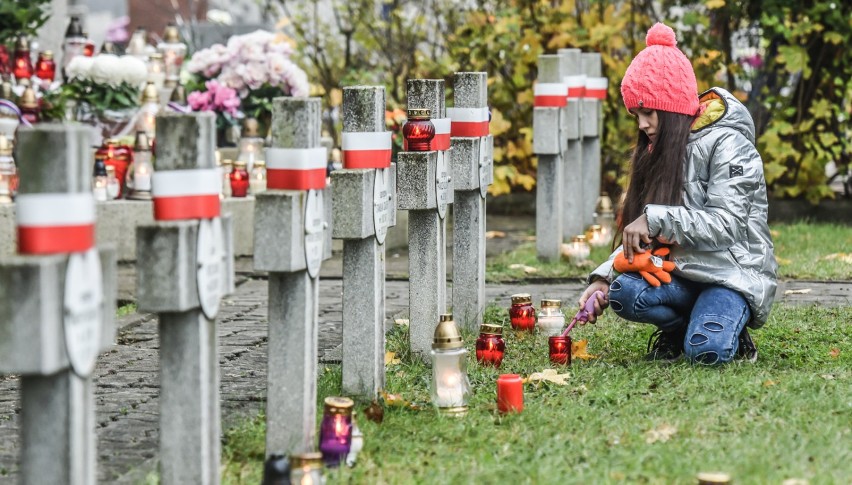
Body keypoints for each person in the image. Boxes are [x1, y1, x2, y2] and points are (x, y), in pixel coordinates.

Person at [578, 22, 778, 365]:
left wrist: (655, 219)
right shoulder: (658, 149)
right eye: (636, 114)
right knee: (623, 292)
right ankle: (681, 325)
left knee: (707, 351)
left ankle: (726, 328)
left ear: (672, 107)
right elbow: (640, 239)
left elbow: (726, 225)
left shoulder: (730, 145)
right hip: (680, 273)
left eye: (648, 112)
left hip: (730, 276)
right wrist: (602, 277)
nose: (642, 124)